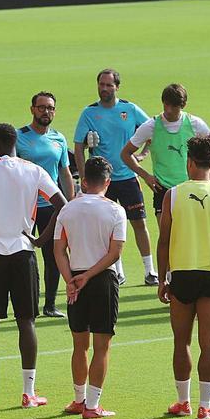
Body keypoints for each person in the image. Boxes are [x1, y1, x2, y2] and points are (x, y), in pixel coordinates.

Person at [0, 123, 67, 410]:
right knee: (27, 321)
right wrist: (41, 239)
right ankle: (28, 393)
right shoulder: (33, 170)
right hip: (24, 252)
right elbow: (62, 203)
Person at [157, 135, 210, 419]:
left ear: (189, 161)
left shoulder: (173, 194)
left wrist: (162, 279)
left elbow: (164, 240)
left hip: (182, 274)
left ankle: (183, 402)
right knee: (209, 342)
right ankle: (205, 405)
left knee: (182, 341)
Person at [53, 156, 127, 419]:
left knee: (79, 343)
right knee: (101, 345)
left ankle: (78, 399)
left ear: (83, 181)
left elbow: (59, 250)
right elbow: (114, 253)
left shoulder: (67, 210)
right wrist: (90, 275)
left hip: (75, 278)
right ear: (108, 181)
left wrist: (71, 280)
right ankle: (93, 406)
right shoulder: (115, 210)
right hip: (103, 280)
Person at [74, 69, 154, 284]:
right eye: (101, 84)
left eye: (109, 85)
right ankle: (117, 272)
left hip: (128, 176)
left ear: (117, 87)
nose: (104, 88)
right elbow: (79, 145)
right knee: (108, 228)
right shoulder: (89, 113)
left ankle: (149, 270)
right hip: (102, 180)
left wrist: (143, 154)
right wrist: (84, 177)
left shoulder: (129, 109)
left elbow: (153, 130)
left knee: (139, 223)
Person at [16, 92, 77, 318]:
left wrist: (70, 204)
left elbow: (65, 172)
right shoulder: (19, 136)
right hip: (26, 205)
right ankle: (26, 304)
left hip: (51, 206)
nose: (46, 112)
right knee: (23, 255)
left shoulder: (59, 138)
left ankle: (50, 304)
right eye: (41, 108)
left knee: (54, 255)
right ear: (32, 109)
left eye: (50, 108)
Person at [122, 83, 210, 218]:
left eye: (174, 106)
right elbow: (125, 153)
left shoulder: (195, 124)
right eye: (166, 104)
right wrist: (146, 176)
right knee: (167, 237)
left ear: (183, 105)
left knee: (188, 235)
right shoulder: (151, 126)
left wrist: (208, 178)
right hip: (162, 190)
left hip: (189, 188)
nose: (169, 110)